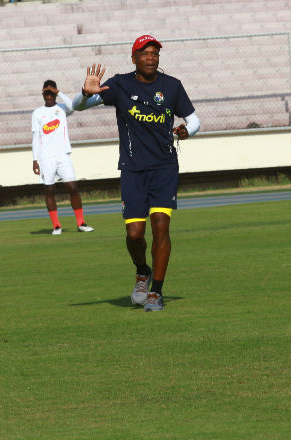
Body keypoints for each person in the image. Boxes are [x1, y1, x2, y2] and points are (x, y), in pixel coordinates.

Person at [73, 35, 201, 312]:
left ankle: (156, 291)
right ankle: (142, 271)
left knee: (161, 226)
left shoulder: (172, 86)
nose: (151, 58)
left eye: (155, 53)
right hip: (132, 169)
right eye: (145, 53)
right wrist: (85, 93)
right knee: (134, 234)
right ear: (134, 58)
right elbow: (78, 107)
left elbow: (193, 120)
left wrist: (186, 131)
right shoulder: (121, 84)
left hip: (165, 168)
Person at [31, 80, 94, 235]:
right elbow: (35, 137)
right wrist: (35, 160)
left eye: (51, 93)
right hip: (46, 157)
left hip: (63, 154)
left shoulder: (63, 109)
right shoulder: (37, 113)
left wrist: (59, 92)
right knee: (50, 190)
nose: (49, 96)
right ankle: (57, 226)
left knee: (73, 187)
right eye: (46, 93)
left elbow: (74, 106)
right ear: (43, 94)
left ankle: (81, 223)